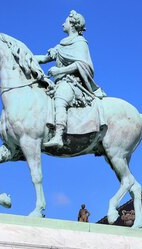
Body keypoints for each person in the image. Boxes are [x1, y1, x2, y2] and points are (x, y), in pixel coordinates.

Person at [36, 10, 105, 148]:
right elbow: (44, 58)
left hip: (73, 83)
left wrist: (60, 70)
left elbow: (83, 64)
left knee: (61, 96)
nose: (63, 23)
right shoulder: (61, 45)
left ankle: (58, 136)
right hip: (60, 82)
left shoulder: (80, 42)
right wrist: (25, 57)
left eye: (65, 21)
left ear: (72, 24)